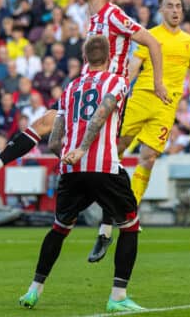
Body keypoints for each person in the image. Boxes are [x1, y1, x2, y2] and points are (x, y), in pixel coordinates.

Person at [0, 0, 168, 180]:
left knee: (102, 157)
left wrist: (158, 82)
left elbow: (152, 41)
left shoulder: (112, 14)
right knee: (44, 124)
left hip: (106, 90)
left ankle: (119, 204)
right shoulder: (94, 18)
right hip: (85, 87)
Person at [18, 36, 144, 312]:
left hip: (71, 169)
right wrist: (85, 148)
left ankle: (32, 291)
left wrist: (68, 155)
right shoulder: (116, 82)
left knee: (60, 228)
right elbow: (102, 113)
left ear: (85, 60)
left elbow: (53, 141)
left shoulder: (71, 87)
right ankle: (118, 296)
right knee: (130, 226)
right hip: (104, 166)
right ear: (109, 58)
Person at [91, 0, 190, 262]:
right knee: (116, 151)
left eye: (179, 6)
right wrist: (118, 92)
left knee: (149, 159)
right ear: (161, 10)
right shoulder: (150, 36)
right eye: (170, 6)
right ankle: (105, 227)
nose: (175, 10)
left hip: (167, 107)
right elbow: (133, 68)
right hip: (141, 99)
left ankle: (127, 212)